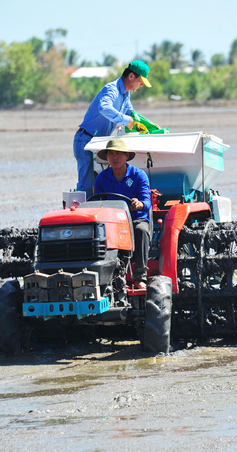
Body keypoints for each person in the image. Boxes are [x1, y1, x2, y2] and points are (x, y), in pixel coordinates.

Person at [73, 60, 152, 198]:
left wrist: (148, 125)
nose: (141, 85)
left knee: (101, 182)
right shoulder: (112, 89)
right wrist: (127, 120)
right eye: (141, 81)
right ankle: (80, 216)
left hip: (98, 143)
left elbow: (131, 114)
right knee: (86, 187)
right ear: (131, 76)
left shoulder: (126, 94)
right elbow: (104, 108)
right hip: (85, 140)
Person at [94, 138, 151, 290]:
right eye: (111, 154)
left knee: (142, 230)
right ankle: (109, 276)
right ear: (106, 157)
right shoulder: (101, 178)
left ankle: (140, 276)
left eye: (118, 154)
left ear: (126, 156)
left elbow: (147, 203)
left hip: (136, 219)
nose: (115, 157)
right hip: (112, 223)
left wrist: (139, 204)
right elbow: (98, 204)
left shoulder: (139, 176)